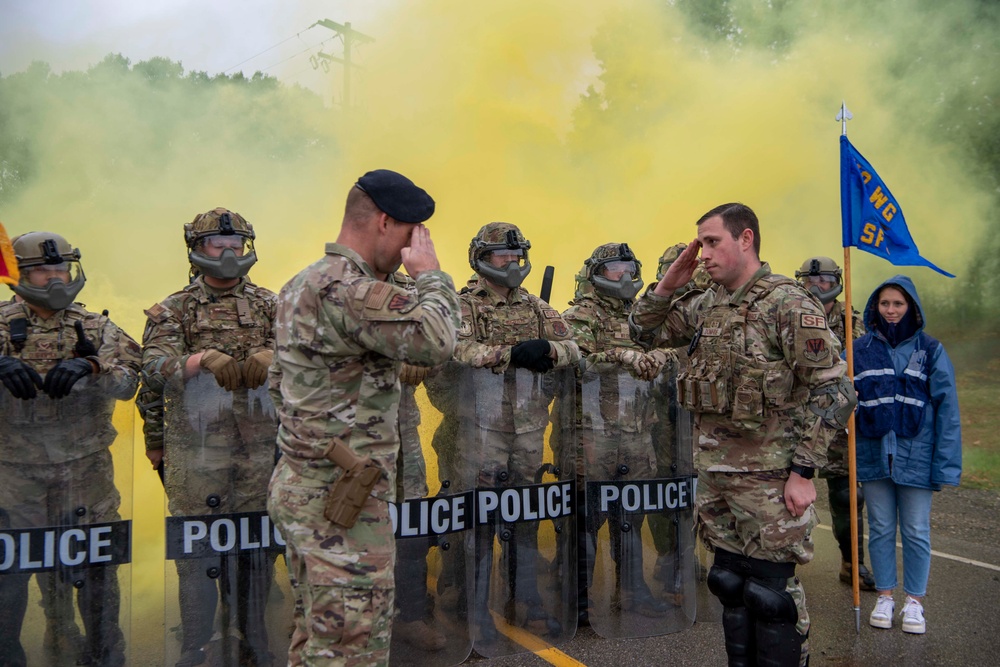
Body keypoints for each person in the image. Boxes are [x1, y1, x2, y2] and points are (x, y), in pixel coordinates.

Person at [629, 203, 855, 667]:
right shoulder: (706, 304)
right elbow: (642, 333)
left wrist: (804, 471)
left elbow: (836, 391)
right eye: (700, 244)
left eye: (712, 242)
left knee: (772, 596)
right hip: (714, 476)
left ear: (746, 239)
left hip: (771, 481)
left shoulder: (787, 303)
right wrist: (669, 284)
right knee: (729, 585)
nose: (703, 254)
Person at [266, 169, 459, 667]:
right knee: (353, 646)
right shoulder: (350, 290)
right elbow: (437, 338)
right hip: (341, 505)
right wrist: (431, 275)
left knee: (319, 639)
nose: (408, 250)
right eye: (408, 236)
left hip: (312, 490)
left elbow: (280, 383)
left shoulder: (300, 283)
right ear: (383, 221)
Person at [139, 207, 279, 667]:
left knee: (256, 549)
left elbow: (310, 358)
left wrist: (272, 356)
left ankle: (252, 636)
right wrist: (199, 361)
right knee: (198, 552)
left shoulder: (270, 304)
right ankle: (194, 645)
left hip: (260, 451)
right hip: (197, 454)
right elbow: (152, 372)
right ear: (197, 250)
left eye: (235, 245)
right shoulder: (174, 309)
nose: (228, 253)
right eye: (218, 245)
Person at [0, 231, 140, 667]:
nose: (55, 277)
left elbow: (132, 382)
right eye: (43, 269)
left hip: (86, 474)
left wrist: (94, 365)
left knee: (98, 570)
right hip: (14, 477)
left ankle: (103, 655)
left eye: (61, 267)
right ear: (20, 274)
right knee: (11, 575)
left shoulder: (96, 327)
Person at [449, 221, 580, 642]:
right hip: (481, 429)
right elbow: (458, 350)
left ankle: (525, 599)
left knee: (523, 516)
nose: (510, 262)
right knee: (480, 518)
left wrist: (549, 350)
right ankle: (472, 607)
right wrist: (511, 355)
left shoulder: (536, 306)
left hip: (527, 428)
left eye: (515, 255)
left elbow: (574, 347)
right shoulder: (464, 304)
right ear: (481, 260)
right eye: (500, 256)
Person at [561, 242, 673, 623]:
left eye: (630, 267)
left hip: (637, 430)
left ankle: (632, 592)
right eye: (615, 268)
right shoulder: (580, 313)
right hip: (592, 433)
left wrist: (663, 356)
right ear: (595, 272)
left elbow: (677, 351)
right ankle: (578, 599)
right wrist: (617, 356)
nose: (625, 275)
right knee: (587, 516)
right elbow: (573, 362)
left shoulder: (642, 316)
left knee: (632, 513)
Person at [853, 276, 961, 634]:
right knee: (880, 528)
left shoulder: (931, 350)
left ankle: (913, 603)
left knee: (915, 530)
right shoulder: (858, 349)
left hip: (917, 458)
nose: (891, 310)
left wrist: (945, 465)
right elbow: (836, 394)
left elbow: (948, 411)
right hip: (872, 456)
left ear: (911, 307)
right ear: (875, 307)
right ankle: (885, 596)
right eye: (885, 304)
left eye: (898, 304)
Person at [795, 256, 875, 591]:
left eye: (825, 279)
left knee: (847, 497)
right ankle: (785, 563)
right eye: (810, 280)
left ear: (837, 281)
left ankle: (851, 564)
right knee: (794, 496)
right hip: (800, 420)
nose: (817, 286)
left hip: (839, 420)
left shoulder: (852, 320)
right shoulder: (791, 313)